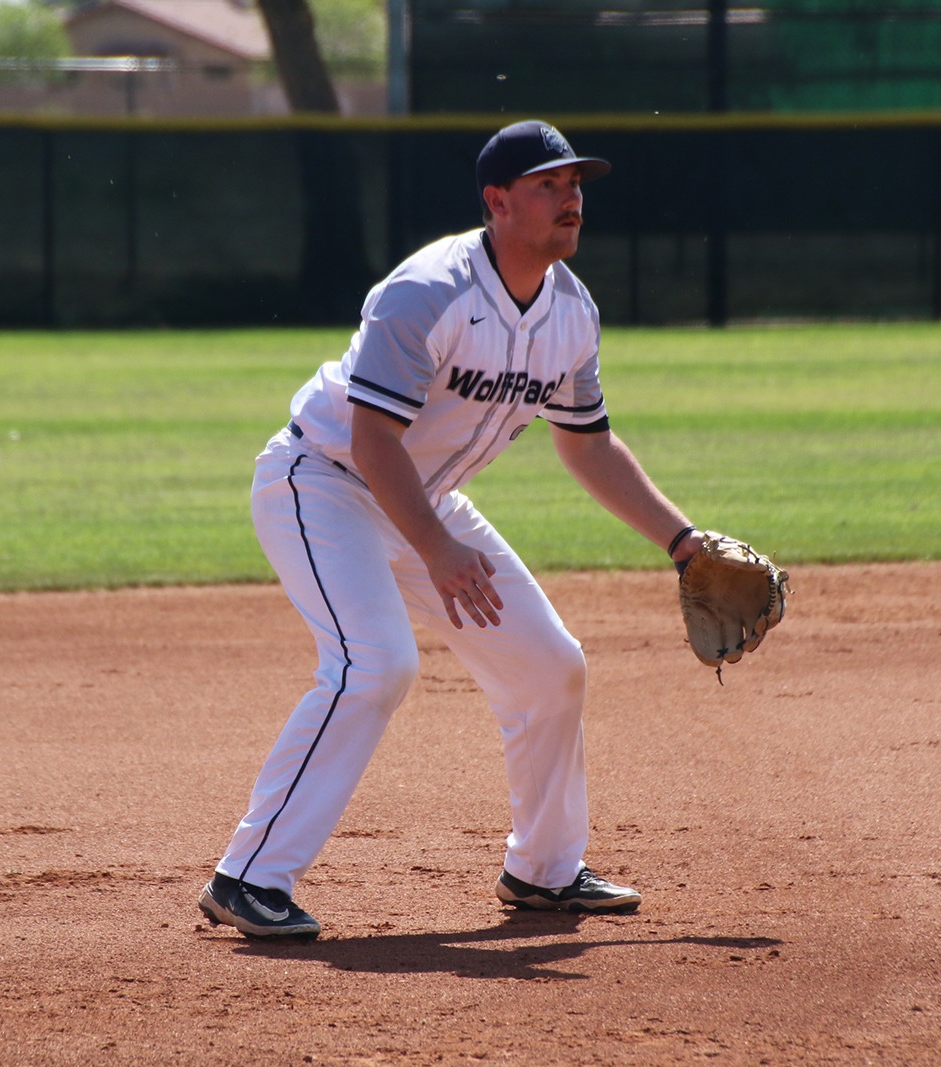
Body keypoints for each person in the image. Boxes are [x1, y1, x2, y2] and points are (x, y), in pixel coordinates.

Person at [197, 120, 717, 940]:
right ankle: (248, 876)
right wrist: (437, 550)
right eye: (550, 185)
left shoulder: (571, 314)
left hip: (424, 497)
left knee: (550, 669)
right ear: (498, 201)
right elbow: (372, 440)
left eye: (576, 183)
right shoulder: (429, 291)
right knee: (376, 663)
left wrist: (685, 543)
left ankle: (544, 872)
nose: (571, 198)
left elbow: (589, 446)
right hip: (323, 481)